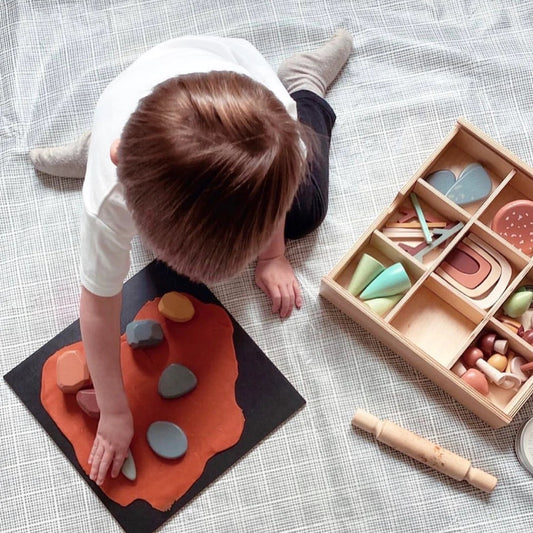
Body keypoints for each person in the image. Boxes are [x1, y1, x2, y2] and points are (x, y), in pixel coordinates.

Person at [30, 30, 353, 485]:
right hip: (130, 106)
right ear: (123, 161)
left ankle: (305, 84)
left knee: (307, 210)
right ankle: (93, 146)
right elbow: (98, 308)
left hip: (243, 83)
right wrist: (116, 408)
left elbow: (274, 202)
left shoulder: (283, 140)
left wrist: (272, 256)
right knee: (123, 216)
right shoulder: (109, 200)